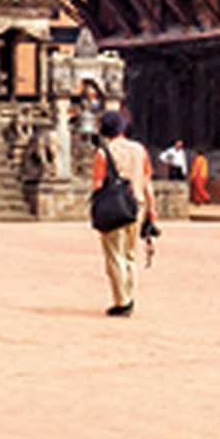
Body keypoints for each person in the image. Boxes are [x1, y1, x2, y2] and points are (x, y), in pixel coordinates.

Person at [90, 110, 155, 316]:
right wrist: (152, 210)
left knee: (114, 255)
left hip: (114, 207)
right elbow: (147, 182)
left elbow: (97, 184)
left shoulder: (103, 153)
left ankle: (122, 301)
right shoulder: (139, 150)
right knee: (130, 254)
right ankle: (129, 295)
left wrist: (95, 208)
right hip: (138, 205)